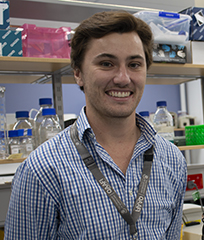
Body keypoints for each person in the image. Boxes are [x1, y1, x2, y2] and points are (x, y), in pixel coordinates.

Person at [4, 11, 187, 239]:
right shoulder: (42, 170)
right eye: (106, 63)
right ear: (78, 73)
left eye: (134, 64)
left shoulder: (172, 160)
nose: (123, 78)